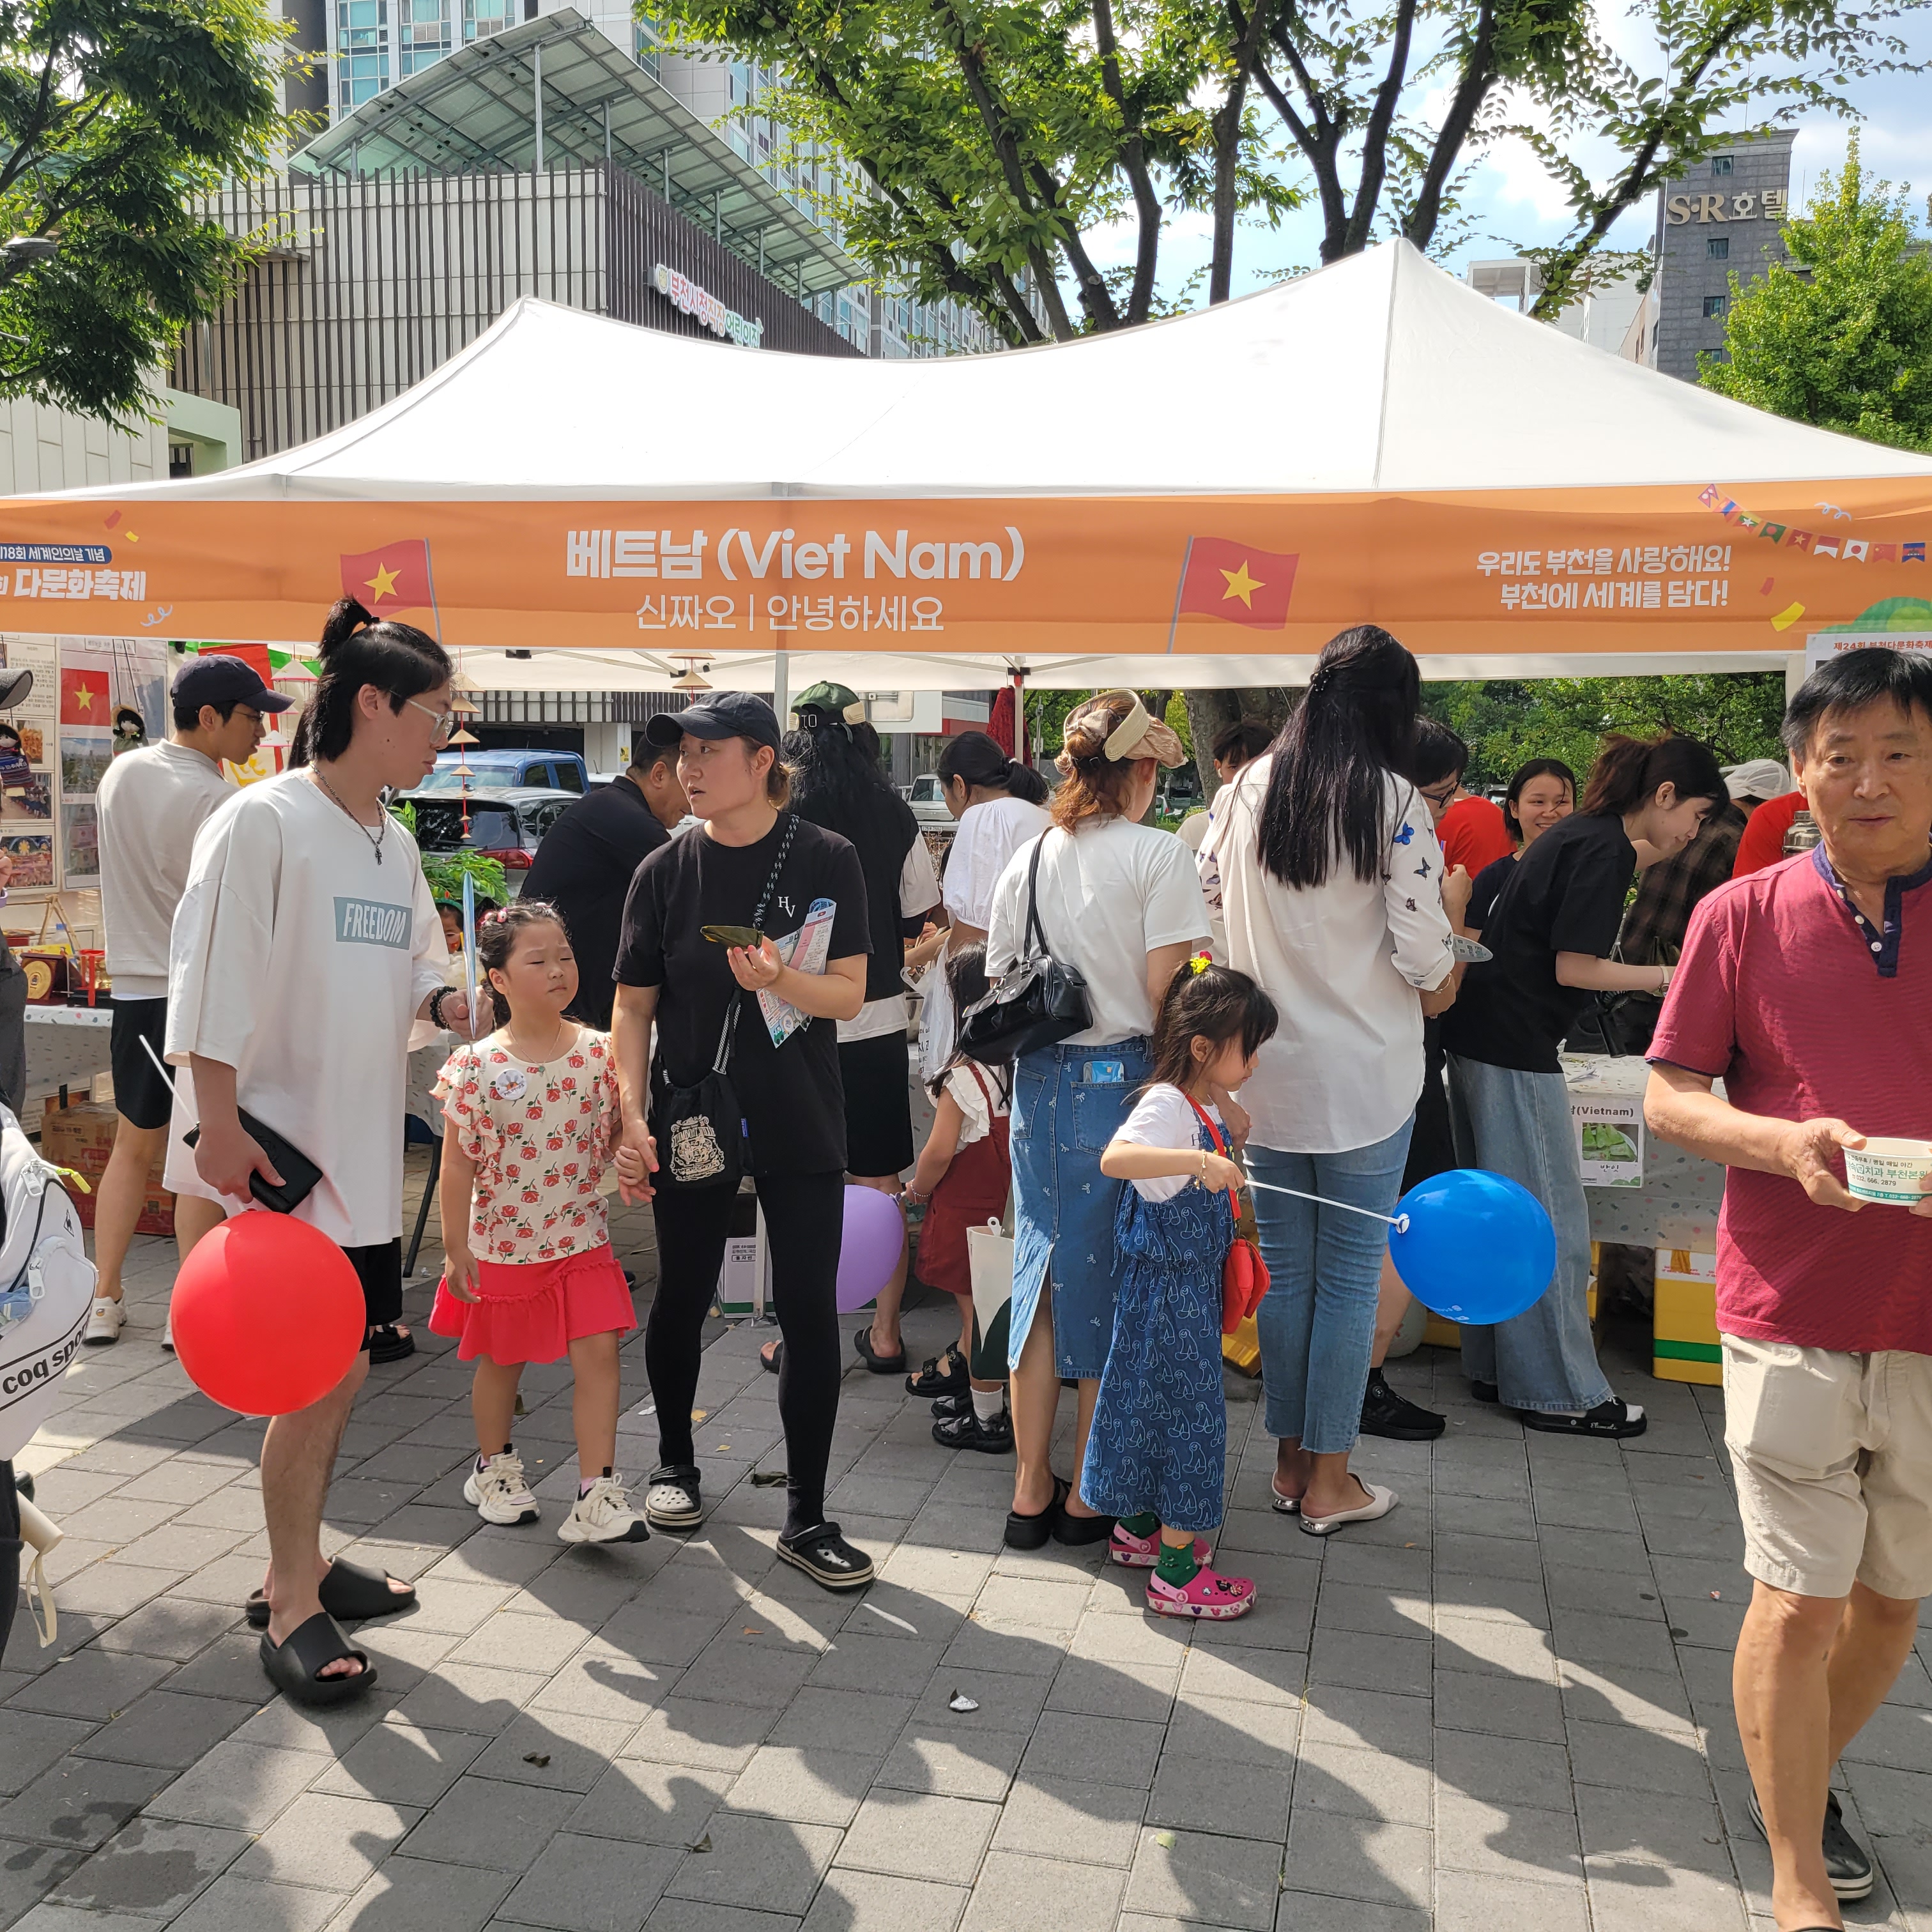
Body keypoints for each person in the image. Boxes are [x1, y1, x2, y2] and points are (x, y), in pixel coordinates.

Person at [1644, 650, 1932, 1932]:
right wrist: (1779, 1142)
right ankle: (1795, 1873)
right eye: (1840, 755)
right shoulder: (1740, 914)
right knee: (1800, 1594)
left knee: (1889, 1600)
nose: (1868, 780)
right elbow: (1669, 1095)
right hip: (1787, 1302)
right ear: (1800, 773)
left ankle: (1797, 1776)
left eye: (1897, 753)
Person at [165, 598, 479, 1705]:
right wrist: (218, 1124)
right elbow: (209, 974)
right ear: (373, 704)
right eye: (438, 715)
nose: (446, 736)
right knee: (316, 1370)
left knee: (338, 1365)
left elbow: (412, 970)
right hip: (276, 1150)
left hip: (359, 1151)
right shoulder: (264, 821)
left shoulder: (392, 838)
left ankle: (297, 1557)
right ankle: (293, 1599)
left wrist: (446, 1001)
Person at [610, 693, 875, 1590]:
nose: (686, 768)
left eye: (707, 751)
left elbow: (849, 993)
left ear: (762, 760)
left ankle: (807, 1515)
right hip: (693, 1114)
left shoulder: (827, 856)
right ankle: (674, 1465)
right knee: (683, 1294)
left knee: (807, 1311)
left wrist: (780, 978)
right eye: (680, 753)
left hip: (800, 1112)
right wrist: (630, 1112)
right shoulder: (663, 870)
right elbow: (632, 1006)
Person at [1203, 627, 1457, 1533]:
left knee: (1288, 1275)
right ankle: (1331, 1481)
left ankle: (1288, 1464)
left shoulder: (1242, 791)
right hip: (1366, 1079)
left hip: (1263, 1072)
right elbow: (1426, 956)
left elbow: (1208, 906)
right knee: (1348, 1281)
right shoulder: (1394, 800)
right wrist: (1452, 954)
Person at [1440, 730, 1727, 1438]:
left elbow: (1637, 857)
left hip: (1479, 1040)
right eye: (1695, 816)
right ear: (1664, 795)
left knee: (1498, 1216)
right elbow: (1576, 968)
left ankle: (1498, 1367)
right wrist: (1673, 976)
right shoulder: (1602, 849)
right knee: (1549, 1225)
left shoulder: (1583, 835)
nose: (1693, 834)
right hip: (1515, 1048)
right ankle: (1558, 1391)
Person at [989, 692, 1209, 1551]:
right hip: (1119, 1083)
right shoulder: (1159, 855)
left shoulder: (1030, 855)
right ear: (1143, 769)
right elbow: (1167, 996)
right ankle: (1089, 1492)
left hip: (1037, 1085)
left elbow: (1001, 976)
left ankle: (1027, 1488)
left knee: (1039, 1276)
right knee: (1107, 1284)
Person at [430, 900, 645, 1543]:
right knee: (503, 1360)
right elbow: (456, 1166)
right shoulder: (477, 1065)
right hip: (502, 1245)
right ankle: (493, 1467)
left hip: (582, 1237)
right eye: (539, 960)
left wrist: (627, 1156)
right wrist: (455, 1248)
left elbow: (613, 1133)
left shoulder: (603, 1053)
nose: (558, 970)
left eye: (566, 957)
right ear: (497, 979)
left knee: (600, 1354)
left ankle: (596, 1493)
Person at [86, 657, 280, 1348]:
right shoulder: (221, 802)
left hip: (134, 988)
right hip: (197, 991)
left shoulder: (121, 773)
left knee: (133, 1147)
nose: (262, 730)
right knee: (203, 1157)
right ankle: (185, 1309)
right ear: (209, 717)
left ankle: (104, 1295)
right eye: (252, 716)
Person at [1090, 958, 1276, 1616]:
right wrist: (1202, 1161)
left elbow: (1199, 1109)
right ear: (1202, 1048)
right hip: (1172, 1297)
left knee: (1147, 1409)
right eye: (1247, 1049)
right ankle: (1175, 1574)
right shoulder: (1168, 1104)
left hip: (1173, 1292)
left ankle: (1138, 1530)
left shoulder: (1194, 1099)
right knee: (1188, 1421)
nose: (1254, 1062)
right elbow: (1117, 1158)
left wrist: (1226, 1112)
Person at [776, 684, 940, 1381]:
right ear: (863, 737)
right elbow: (922, 911)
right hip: (874, 1014)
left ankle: (801, 1339)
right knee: (880, 1178)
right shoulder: (892, 811)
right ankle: (886, 1332)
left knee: (803, 1179)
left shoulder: (777, 809)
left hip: (793, 1015)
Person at [901, 942, 1013, 1452]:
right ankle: (973, 1394)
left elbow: (939, 1151)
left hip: (967, 1217)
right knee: (985, 1314)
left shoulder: (964, 1078)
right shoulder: (1015, 1067)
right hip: (1003, 1211)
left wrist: (919, 1187)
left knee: (979, 1319)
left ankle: (988, 1420)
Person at [909, 731, 1050, 1089]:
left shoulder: (983, 818)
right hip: (1044, 993)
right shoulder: (1042, 815)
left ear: (960, 785)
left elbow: (971, 933)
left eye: (945, 793)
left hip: (990, 994)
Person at [519, 740, 689, 1029]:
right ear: (659, 774)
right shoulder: (632, 823)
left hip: (552, 989)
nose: (693, 797)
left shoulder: (607, 806)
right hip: (563, 1000)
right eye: (688, 780)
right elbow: (695, 896)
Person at [1465, 758, 1577, 934]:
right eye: (1538, 802)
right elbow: (1471, 947)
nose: (1550, 813)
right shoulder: (1493, 879)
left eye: (1561, 802)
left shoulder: (1587, 873)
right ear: (1514, 808)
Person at [1413, 720, 1515, 877]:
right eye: (1441, 794)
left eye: (1451, 791)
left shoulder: (1431, 819)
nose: (1450, 803)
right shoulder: (1494, 813)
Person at [1177, 716, 1275, 854]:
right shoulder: (1195, 830)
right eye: (1234, 767)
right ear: (1218, 767)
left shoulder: (1289, 830)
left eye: (1256, 768)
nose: (1243, 777)